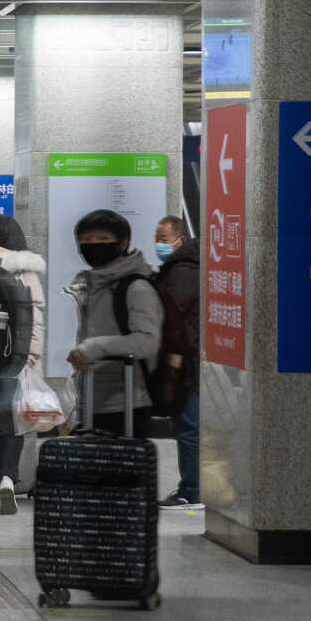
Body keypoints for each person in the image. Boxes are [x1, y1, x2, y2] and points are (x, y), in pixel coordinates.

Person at [65, 209, 163, 435]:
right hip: (92, 394)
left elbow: (147, 341)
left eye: (103, 239)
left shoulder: (136, 287)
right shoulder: (89, 284)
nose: (93, 245)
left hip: (126, 400)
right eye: (86, 240)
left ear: (122, 242)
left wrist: (94, 348)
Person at [0, 215, 46, 514]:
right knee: (10, 421)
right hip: (13, 357)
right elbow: (36, 316)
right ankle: (5, 479)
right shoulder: (26, 268)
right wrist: (30, 356)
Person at [154, 215, 202, 509]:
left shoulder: (182, 272)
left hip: (186, 360)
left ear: (179, 240)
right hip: (189, 356)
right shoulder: (179, 268)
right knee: (187, 423)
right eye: (157, 238)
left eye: (163, 238)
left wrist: (173, 354)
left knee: (188, 425)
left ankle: (191, 489)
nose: (158, 244)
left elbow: (175, 316)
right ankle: (192, 486)